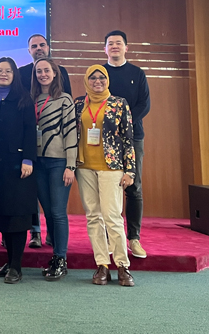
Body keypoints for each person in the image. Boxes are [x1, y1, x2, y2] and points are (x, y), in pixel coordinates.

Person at [74, 65, 136, 287]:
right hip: (84, 168)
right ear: (86, 81)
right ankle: (102, 264)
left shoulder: (119, 103)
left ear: (107, 80)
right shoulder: (78, 104)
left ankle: (122, 265)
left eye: (102, 77)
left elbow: (128, 138)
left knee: (112, 216)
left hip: (111, 168)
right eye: (93, 78)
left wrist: (130, 170)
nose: (97, 81)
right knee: (93, 216)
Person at [0, 57, 37, 284]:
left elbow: (30, 131)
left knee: (17, 214)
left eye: (8, 71)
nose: (3, 74)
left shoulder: (24, 99)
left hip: (17, 162)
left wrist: (28, 159)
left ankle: (16, 266)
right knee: (2, 213)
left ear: (15, 74)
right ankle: (9, 260)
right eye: (0, 70)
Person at [17, 33, 72, 248]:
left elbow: (69, 123)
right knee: (39, 201)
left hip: (57, 154)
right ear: (29, 50)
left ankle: (58, 250)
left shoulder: (62, 79)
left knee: (56, 209)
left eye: (42, 45)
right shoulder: (22, 76)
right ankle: (37, 233)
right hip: (34, 153)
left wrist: (70, 164)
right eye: (34, 46)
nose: (38, 48)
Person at [103, 30, 150, 259]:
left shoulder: (137, 73)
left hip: (133, 137)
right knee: (107, 188)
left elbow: (144, 104)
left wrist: (125, 124)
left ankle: (134, 238)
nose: (114, 46)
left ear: (126, 48)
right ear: (105, 49)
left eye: (118, 43)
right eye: (110, 43)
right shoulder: (100, 73)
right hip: (106, 139)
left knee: (134, 187)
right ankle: (111, 238)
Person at [30, 58, 77, 281]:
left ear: (55, 73)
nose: (43, 74)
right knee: (48, 212)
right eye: (39, 71)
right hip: (37, 163)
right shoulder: (32, 99)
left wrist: (70, 165)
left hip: (59, 162)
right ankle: (55, 255)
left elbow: (71, 133)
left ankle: (60, 258)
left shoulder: (64, 99)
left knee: (58, 212)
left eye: (46, 70)